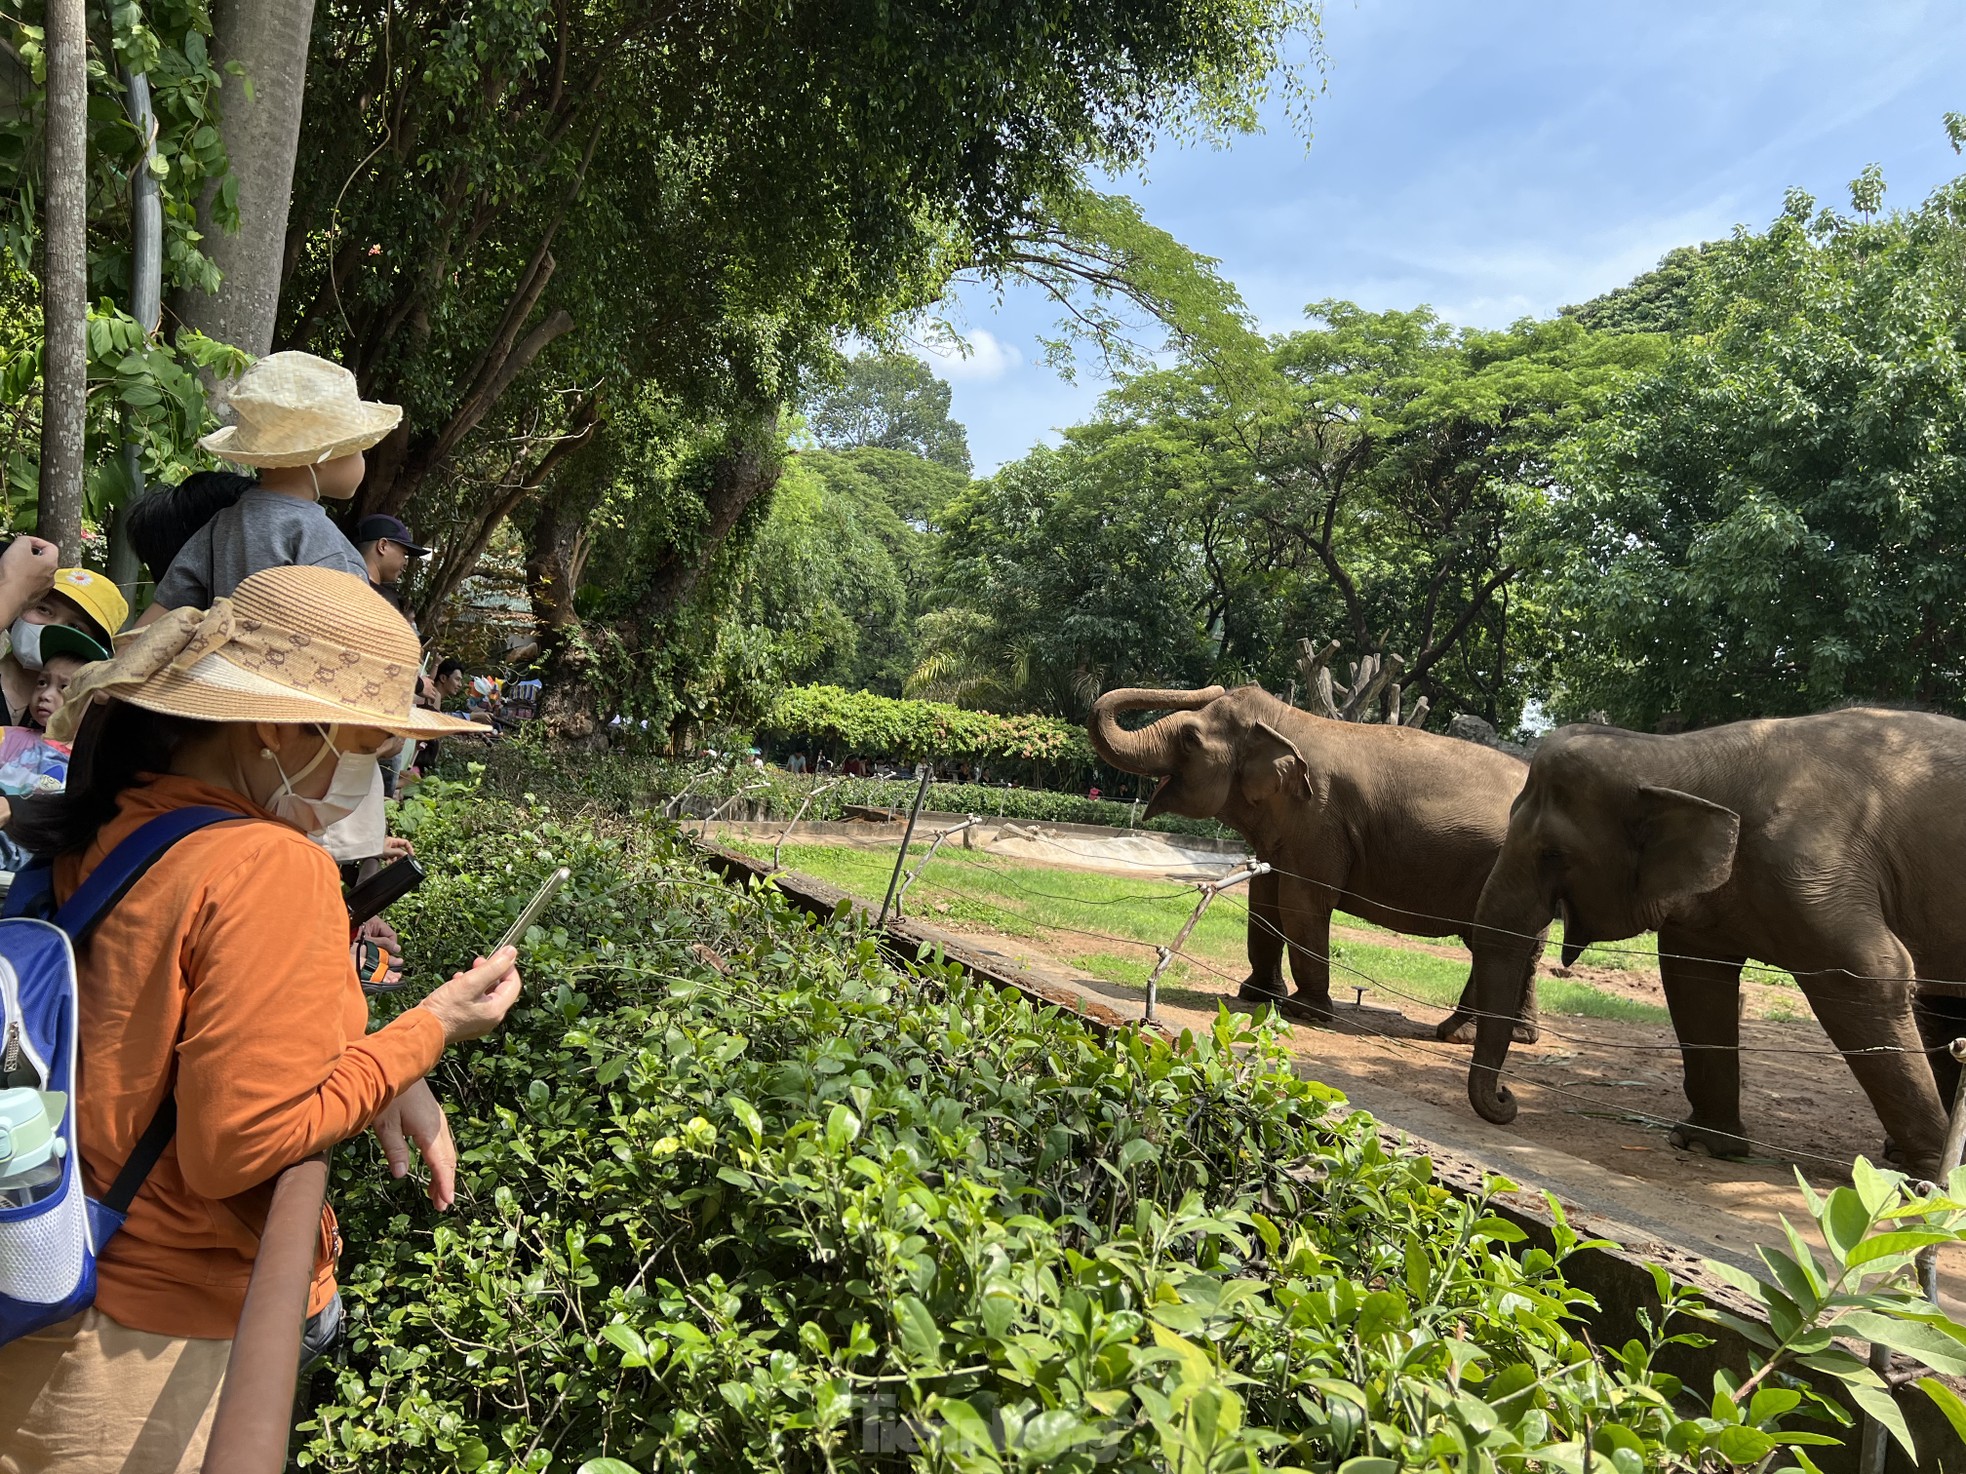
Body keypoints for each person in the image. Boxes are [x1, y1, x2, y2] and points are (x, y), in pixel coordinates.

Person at [0, 567, 513, 1473]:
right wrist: (429, 1028)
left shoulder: (123, 819)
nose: (369, 774)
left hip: (49, 1294)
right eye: (367, 746)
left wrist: (386, 1061)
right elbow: (241, 1143)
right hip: (141, 1348)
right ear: (280, 727)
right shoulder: (269, 866)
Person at [136, 351, 400, 626]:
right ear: (323, 455)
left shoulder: (219, 526)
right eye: (359, 449)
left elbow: (156, 616)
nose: (362, 460)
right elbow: (350, 643)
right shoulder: (326, 545)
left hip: (220, 666)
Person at [0, 566, 127, 727]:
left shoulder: (84, 719)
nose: (52, 627)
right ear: (21, 607)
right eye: (43, 609)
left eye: (75, 627)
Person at [25, 625, 108, 732]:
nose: (44, 695)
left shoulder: (92, 748)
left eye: (64, 687)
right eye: (42, 683)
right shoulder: (8, 738)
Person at [353, 513, 430, 614]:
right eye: (404, 554)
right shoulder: (382, 601)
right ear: (383, 546)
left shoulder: (337, 583)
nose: (405, 562)